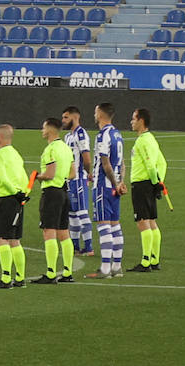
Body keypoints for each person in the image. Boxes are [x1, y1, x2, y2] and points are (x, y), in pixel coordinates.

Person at [31, 118, 75, 284]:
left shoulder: (50, 149)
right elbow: (73, 173)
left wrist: (37, 177)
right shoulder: (65, 148)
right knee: (64, 232)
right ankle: (68, 272)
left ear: (49, 129)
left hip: (51, 193)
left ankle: (50, 274)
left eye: (43, 127)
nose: (42, 131)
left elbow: (49, 174)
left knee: (49, 231)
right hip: (64, 192)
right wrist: (60, 177)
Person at [87, 102, 126, 279]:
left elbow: (105, 163)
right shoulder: (117, 134)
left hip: (103, 186)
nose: (94, 115)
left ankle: (104, 269)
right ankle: (116, 267)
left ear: (101, 115)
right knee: (115, 225)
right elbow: (122, 162)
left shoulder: (103, 135)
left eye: (96, 112)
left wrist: (114, 182)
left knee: (104, 226)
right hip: (115, 187)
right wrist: (120, 183)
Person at [0, 124, 28, 289]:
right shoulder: (16, 154)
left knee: (1, 238)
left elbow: (3, 178)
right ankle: (20, 277)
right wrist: (22, 193)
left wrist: (13, 192)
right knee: (14, 239)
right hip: (19, 200)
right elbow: (23, 176)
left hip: (6, 199)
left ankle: (5, 279)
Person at [127, 107, 166, 273]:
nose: (131, 122)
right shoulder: (152, 139)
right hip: (149, 184)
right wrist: (159, 182)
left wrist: (155, 182)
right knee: (151, 221)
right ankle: (154, 259)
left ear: (141, 121)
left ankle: (145, 262)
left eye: (134, 119)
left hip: (141, 185)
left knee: (142, 221)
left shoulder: (143, 141)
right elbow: (162, 163)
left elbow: (151, 165)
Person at [60, 106, 95, 256]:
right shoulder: (68, 136)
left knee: (82, 212)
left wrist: (89, 173)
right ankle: (75, 247)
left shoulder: (81, 134)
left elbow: (86, 157)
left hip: (79, 179)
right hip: (69, 180)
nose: (63, 120)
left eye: (66, 117)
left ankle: (89, 247)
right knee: (72, 214)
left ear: (75, 118)